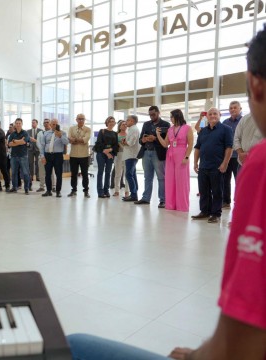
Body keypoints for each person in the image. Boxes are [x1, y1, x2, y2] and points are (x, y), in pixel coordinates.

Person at [67, 28, 266, 360]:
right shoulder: (169, 129)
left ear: (255, 84)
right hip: (169, 156)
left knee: (74, 345)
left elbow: (239, 344)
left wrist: (195, 356)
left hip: (171, 158)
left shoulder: (260, 165)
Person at [192, 107, 233, 223]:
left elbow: (229, 147)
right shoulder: (203, 131)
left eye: (215, 114)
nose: (212, 116)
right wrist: (195, 162)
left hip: (217, 166)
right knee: (203, 191)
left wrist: (225, 163)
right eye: (210, 114)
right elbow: (197, 148)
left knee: (217, 191)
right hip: (203, 166)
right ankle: (205, 211)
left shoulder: (226, 129)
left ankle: (216, 214)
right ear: (207, 116)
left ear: (219, 115)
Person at [156, 109, 194, 212]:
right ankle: (170, 204)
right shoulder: (170, 129)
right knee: (170, 179)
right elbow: (165, 144)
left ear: (177, 116)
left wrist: (186, 157)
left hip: (182, 153)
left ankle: (182, 205)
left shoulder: (187, 128)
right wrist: (158, 135)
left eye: (171, 116)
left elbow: (190, 144)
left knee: (182, 180)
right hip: (170, 154)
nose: (170, 119)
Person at [135, 106, 170, 207]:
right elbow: (140, 139)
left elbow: (166, 141)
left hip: (158, 153)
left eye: (153, 114)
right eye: (150, 115)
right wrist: (144, 140)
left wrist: (155, 138)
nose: (151, 116)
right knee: (147, 177)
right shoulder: (146, 124)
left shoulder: (165, 124)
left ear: (159, 113)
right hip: (146, 152)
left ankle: (163, 200)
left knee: (161, 177)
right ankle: (146, 198)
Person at [40, 119, 69, 198]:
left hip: (58, 156)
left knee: (58, 174)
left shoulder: (63, 133)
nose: (54, 125)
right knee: (48, 174)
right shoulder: (46, 133)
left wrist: (60, 135)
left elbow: (66, 142)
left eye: (56, 124)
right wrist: (42, 156)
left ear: (58, 124)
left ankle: (58, 191)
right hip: (48, 155)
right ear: (50, 125)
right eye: (53, 124)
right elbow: (42, 146)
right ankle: (48, 191)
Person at [222, 101, 242, 209]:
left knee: (239, 180)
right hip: (226, 156)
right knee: (225, 180)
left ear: (240, 109)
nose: (233, 110)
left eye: (235, 107)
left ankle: (239, 202)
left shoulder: (244, 121)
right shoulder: (225, 122)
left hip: (238, 156)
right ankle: (225, 201)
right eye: (231, 108)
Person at [94, 116, 118, 198]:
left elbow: (116, 146)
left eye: (113, 121)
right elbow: (99, 143)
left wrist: (110, 150)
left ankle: (106, 190)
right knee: (100, 172)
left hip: (111, 154)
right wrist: (106, 152)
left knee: (108, 172)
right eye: (110, 121)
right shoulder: (102, 131)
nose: (112, 122)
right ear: (107, 122)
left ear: (115, 123)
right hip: (101, 153)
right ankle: (100, 192)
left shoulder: (115, 133)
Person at [68, 114, 91, 198]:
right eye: (79, 119)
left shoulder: (88, 129)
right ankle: (73, 190)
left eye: (83, 119)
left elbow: (85, 140)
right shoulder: (71, 128)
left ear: (84, 120)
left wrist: (75, 140)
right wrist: (78, 140)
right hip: (73, 155)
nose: (81, 120)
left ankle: (86, 191)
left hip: (84, 155)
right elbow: (70, 139)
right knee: (73, 174)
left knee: (85, 174)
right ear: (76, 120)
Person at [8, 118, 31, 194]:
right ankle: (14, 187)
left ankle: (26, 188)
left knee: (25, 173)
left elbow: (24, 142)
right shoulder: (12, 134)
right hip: (14, 156)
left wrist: (14, 141)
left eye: (19, 123)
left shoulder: (25, 133)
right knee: (14, 173)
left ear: (22, 124)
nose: (18, 125)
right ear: (15, 124)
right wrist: (19, 142)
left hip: (23, 156)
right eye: (17, 123)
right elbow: (9, 144)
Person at [122, 115, 141, 202]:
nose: (126, 122)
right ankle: (134, 193)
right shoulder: (131, 129)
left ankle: (134, 195)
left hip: (131, 155)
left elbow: (131, 142)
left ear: (132, 121)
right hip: (131, 154)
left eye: (128, 120)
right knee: (132, 174)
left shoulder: (134, 129)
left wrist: (125, 142)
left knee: (129, 174)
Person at [27, 119, 43, 188]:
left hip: (37, 149)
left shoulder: (41, 131)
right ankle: (31, 177)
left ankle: (38, 176)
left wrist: (35, 140)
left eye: (34, 123)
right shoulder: (28, 131)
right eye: (32, 123)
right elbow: (27, 140)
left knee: (37, 163)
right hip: (30, 149)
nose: (32, 124)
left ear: (37, 123)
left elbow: (41, 140)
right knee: (30, 163)